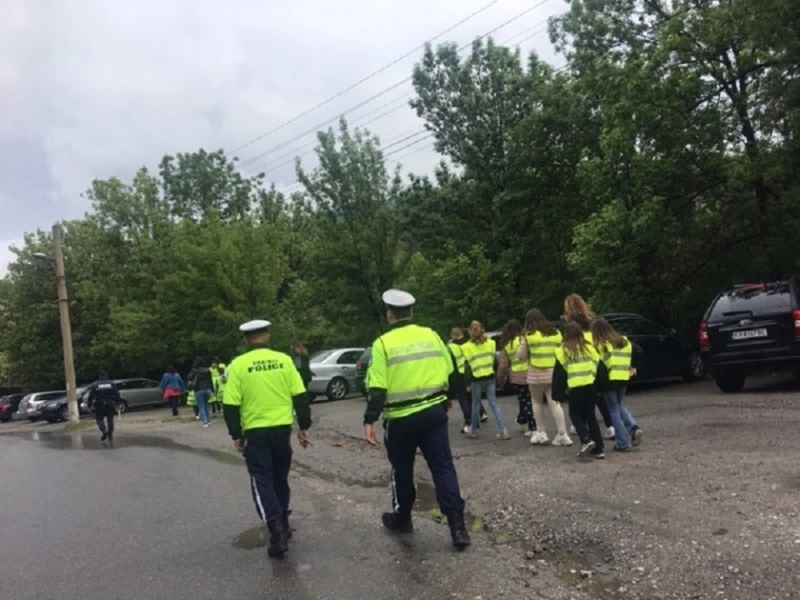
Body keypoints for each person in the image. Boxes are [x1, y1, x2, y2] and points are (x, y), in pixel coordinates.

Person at [364, 289, 470, 550]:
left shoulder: (382, 344)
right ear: (411, 312)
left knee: (402, 469)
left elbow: (377, 388)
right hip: (433, 413)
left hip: (400, 419)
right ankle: (457, 528)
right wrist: (448, 397)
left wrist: (369, 419)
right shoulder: (431, 335)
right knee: (443, 466)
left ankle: (403, 518)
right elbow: (454, 371)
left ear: (389, 315)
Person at [223, 319, 311, 559]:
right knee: (280, 478)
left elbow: (230, 404)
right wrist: (304, 426)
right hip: (282, 430)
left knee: (262, 479)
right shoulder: (284, 360)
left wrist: (236, 434)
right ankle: (283, 520)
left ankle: (277, 532)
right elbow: (301, 395)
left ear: (246, 339)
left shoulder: (238, 365)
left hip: (256, 432)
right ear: (268, 336)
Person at [517, 309, 572, 447]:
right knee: (555, 403)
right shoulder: (556, 333)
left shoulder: (529, 335)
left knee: (536, 402)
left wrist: (522, 342)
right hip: (553, 372)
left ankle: (541, 432)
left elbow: (521, 357)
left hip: (535, 373)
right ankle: (562, 434)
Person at [563, 299, 615, 440]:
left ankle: (584, 429)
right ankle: (610, 426)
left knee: (585, 404)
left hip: (583, 372)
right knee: (600, 400)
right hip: (597, 366)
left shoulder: (575, 334)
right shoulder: (592, 327)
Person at [591, 318, 644, 452]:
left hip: (609, 380)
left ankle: (622, 442)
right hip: (623, 377)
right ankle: (633, 428)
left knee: (613, 409)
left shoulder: (600, 345)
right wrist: (633, 366)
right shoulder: (624, 340)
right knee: (619, 405)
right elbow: (638, 350)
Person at [553, 323, 604, 459]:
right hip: (590, 385)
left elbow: (559, 375)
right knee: (590, 416)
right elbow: (599, 367)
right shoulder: (590, 348)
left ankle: (586, 439)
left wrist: (557, 393)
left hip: (575, 387)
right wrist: (600, 387)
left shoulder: (563, 351)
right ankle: (599, 448)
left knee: (575, 414)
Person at [462, 321, 509, 440]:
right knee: (493, 403)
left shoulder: (466, 347)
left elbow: (467, 367)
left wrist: (467, 383)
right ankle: (503, 430)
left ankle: (474, 430)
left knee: (475, 404)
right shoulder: (491, 343)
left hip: (476, 377)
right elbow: (493, 361)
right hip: (489, 376)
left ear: (470, 332)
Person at [496, 319, 536, 437]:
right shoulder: (524, 340)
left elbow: (503, 364)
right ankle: (522, 420)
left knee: (524, 401)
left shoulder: (507, 344)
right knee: (529, 400)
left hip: (517, 376)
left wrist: (500, 378)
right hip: (530, 372)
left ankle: (532, 426)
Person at [447, 327, 486, 434]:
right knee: (472, 399)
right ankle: (476, 420)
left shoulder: (451, 347)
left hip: (458, 375)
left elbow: (449, 363)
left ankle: (469, 422)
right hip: (472, 372)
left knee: (463, 400)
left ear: (453, 335)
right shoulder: (470, 343)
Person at [86, 371, 120, 442]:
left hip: (99, 404)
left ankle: (104, 430)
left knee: (99, 419)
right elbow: (117, 394)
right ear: (106, 376)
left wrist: (89, 406)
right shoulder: (112, 383)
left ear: (99, 376)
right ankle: (110, 436)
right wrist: (118, 404)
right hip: (110, 403)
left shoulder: (95, 384)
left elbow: (91, 396)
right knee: (110, 420)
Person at [188, 357, 214, 427]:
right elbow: (210, 380)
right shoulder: (207, 370)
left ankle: (205, 422)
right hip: (207, 388)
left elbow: (189, 377)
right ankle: (208, 420)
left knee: (201, 406)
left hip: (198, 389)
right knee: (206, 405)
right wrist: (213, 390)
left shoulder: (194, 370)